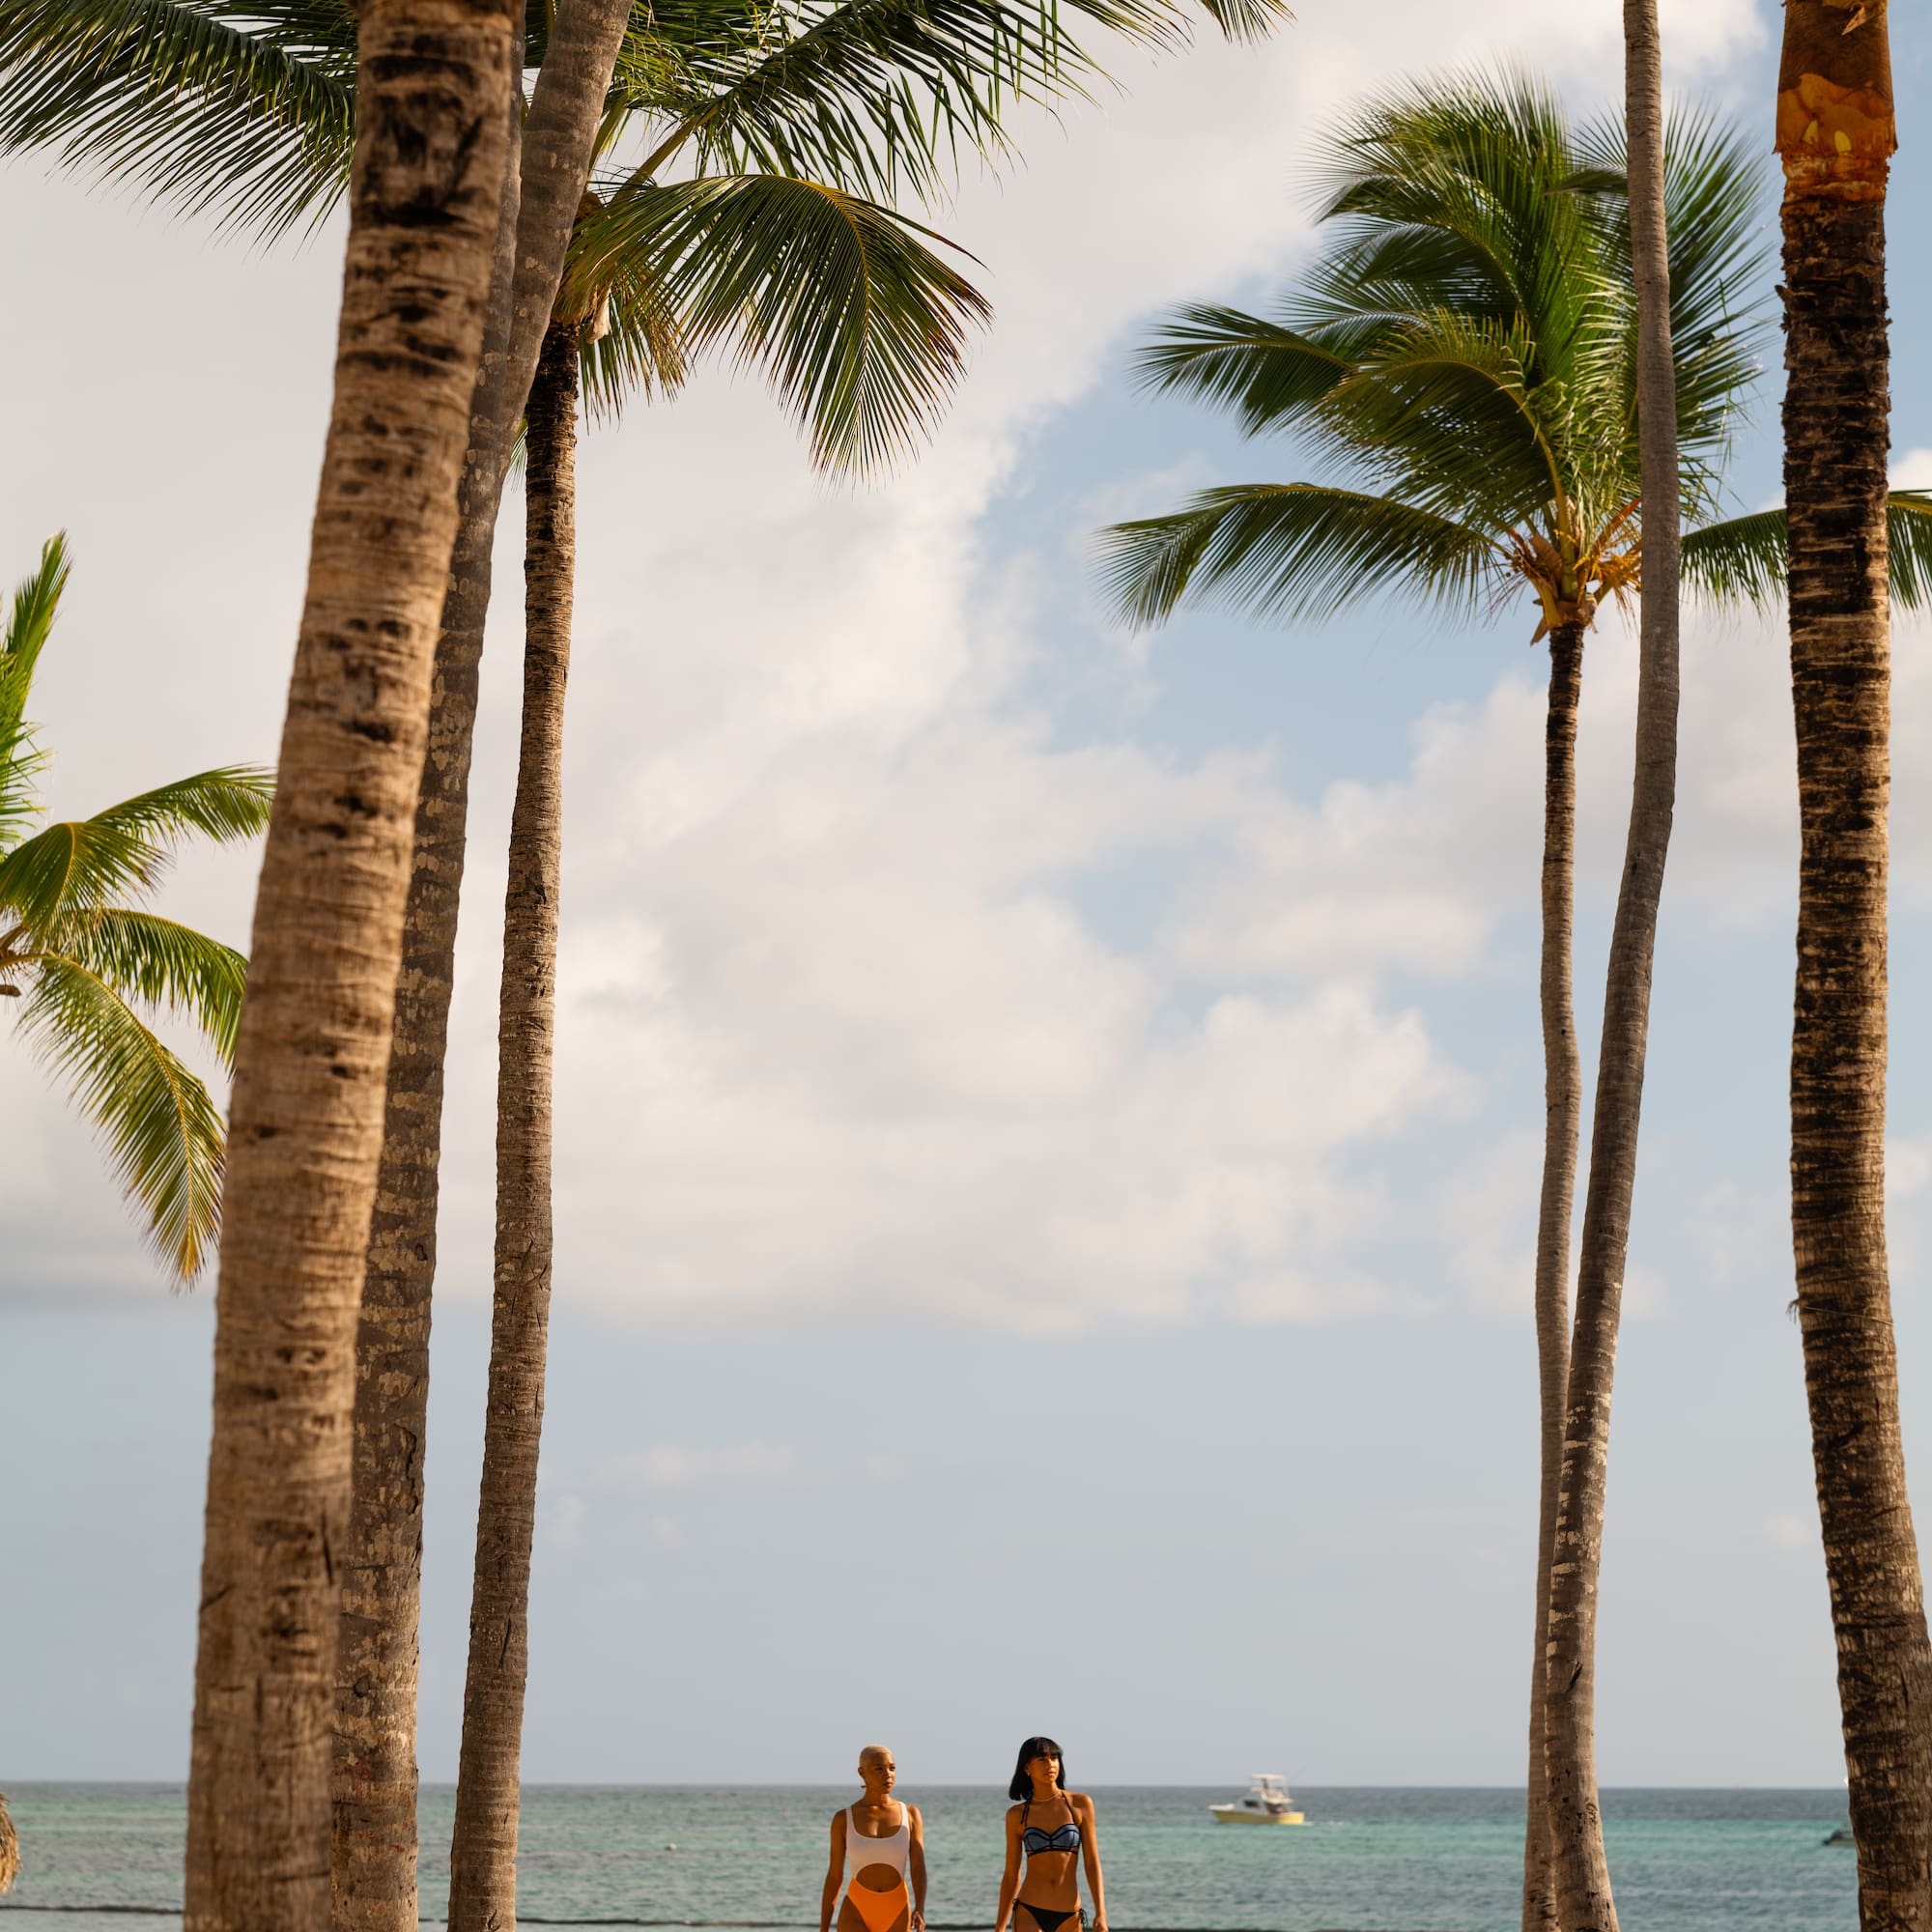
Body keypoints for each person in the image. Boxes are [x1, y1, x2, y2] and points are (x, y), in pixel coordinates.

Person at [994, 1736, 1108, 1932]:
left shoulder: (1080, 1804)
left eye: (1054, 1758)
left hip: (1070, 1914)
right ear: (1027, 1767)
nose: (1050, 1764)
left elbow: (1091, 1862)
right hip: (1029, 1910)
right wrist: (999, 1928)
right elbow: (1012, 1875)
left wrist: (1101, 1913)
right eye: (1042, 1759)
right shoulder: (1017, 1815)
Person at [822, 1745, 926, 1932]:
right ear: (862, 1772)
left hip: (897, 1908)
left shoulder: (910, 1814)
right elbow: (834, 1876)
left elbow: (918, 1867)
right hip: (856, 1909)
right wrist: (823, 1929)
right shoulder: (843, 1819)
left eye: (892, 1768)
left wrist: (920, 1907)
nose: (888, 1774)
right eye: (879, 1768)